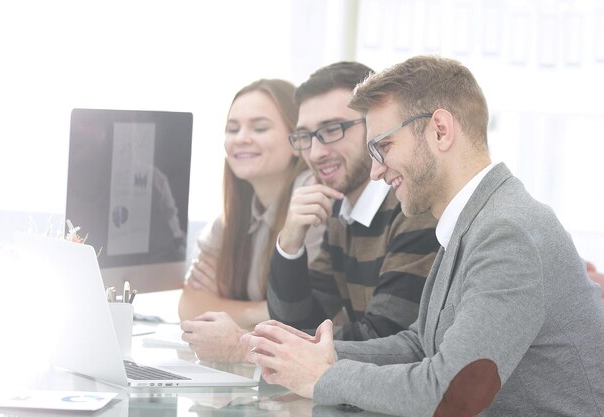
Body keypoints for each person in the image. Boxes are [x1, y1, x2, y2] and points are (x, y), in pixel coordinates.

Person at [243, 55, 604, 416]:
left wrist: (325, 375)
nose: (375, 172)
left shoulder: (507, 233)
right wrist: (322, 354)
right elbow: (421, 345)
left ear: (440, 131)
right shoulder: (474, 221)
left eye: (383, 147)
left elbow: (452, 394)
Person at [267, 61, 439, 341]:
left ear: (374, 127)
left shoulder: (412, 208)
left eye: (332, 129)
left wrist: (253, 345)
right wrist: (289, 243)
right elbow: (297, 324)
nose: (315, 153)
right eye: (305, 136)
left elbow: (383, 339)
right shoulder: (341, 210)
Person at [178, 79, 324, 362]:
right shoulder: (235, 216)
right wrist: (263, 310)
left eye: (260, 128)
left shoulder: (311, 198)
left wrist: (227, 310)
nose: (241, 137)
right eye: (233, 129)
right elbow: (189, 306)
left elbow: (309, 316)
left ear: (297, 141)